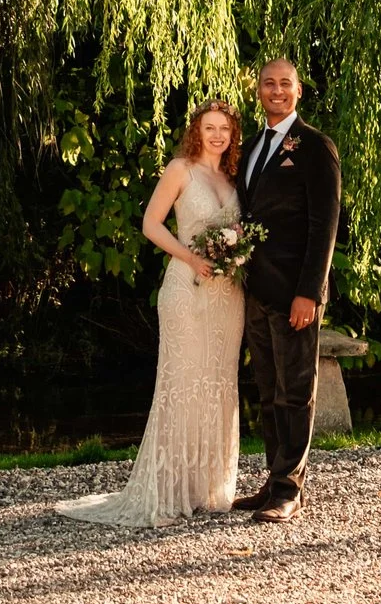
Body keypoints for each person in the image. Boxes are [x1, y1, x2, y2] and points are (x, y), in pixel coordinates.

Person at [54, 101, 248, 527]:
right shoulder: (181, 169)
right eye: (209, 127)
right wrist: (193, 258)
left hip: (227, 297)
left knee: (217, 384)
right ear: (196, 131)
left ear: (233, 135)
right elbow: (151, 224)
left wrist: (235, 255)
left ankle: (205, 489)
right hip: (186, 288)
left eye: (225, 129)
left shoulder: (233, 178)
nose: (217, 135)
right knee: (183, 384)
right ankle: (166, 493)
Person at [233, 56, 341, 523]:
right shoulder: (254, 145)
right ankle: (273, 478)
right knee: (267, 390)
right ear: (258, 90)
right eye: (268, 84)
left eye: (285, 84)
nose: (276, 90)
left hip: (295, 291)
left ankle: (289, 490)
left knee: (296, 390)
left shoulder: (316, 147)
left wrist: (310, 292)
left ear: (299, 92)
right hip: (256, 290)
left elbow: (325, 226)